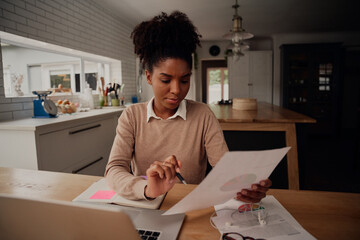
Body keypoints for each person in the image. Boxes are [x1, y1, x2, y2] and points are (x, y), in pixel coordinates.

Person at [105, 11, 271, 203]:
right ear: (149, 77)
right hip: (145, 203)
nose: (176, 90)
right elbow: (114, 169)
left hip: (190, 205)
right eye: (166, 80)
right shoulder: (132, 116)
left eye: (184, 80)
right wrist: (147, 189)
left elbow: (224, 167)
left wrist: (245, 186)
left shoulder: (202, 115)